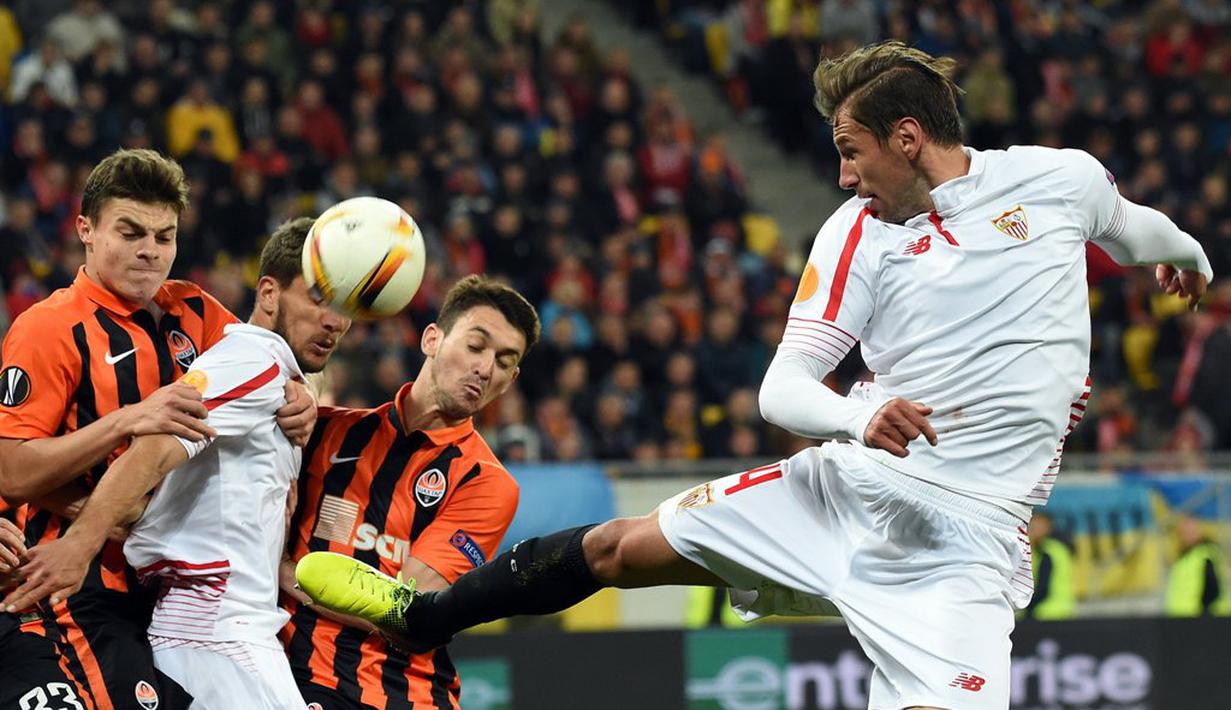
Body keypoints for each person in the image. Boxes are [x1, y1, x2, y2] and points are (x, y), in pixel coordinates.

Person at [297, 41, 1214, 710]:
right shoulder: (854, 236)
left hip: (962, 548)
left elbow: (1136, 228)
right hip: (850, 485)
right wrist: (860, 420)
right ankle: (425, 617)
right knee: (619, 550)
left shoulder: (1057, 183)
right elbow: (783, 388)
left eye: (852, 153)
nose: (845, 177)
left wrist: (1188, 259)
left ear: (906, 137)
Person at [0, 148, 316, 709]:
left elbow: (261, 361)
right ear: (86, 231)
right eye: (130, 232)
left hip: (165, 597)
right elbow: (13, 470)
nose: (149, 251)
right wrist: (126, 419)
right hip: (71, 590)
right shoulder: (48, 328)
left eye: (164, 236)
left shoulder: (195, 311)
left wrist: (301, 397)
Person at [280, 274, 540, 709]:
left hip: (397, 693)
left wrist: (278, 571)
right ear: (432, 339)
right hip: (285, 672)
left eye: (502, 361)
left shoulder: (485, 482)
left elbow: (405, 611)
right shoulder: (328, 430)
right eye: (476, 346)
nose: (484, 367)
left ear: (509, 380)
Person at [1165, 514, 1231, 617]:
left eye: (1190, 531)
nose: (1186, 535)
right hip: (1182, 619)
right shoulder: (1185, 555)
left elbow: (1212, 589)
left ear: (1199, 530)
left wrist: (1204, 618)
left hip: (1199, 620)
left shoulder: (1206, 554)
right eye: (1183, 532)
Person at [1023, 511, 1076, 620]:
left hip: (1048, 613)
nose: (1035, 530)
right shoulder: (1050, 548)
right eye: (1033, 526)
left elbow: (1043, 587)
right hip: (1059, 611)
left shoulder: (1049, 551)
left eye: (1039, 526)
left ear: (1048, 527)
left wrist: (1024, 609)